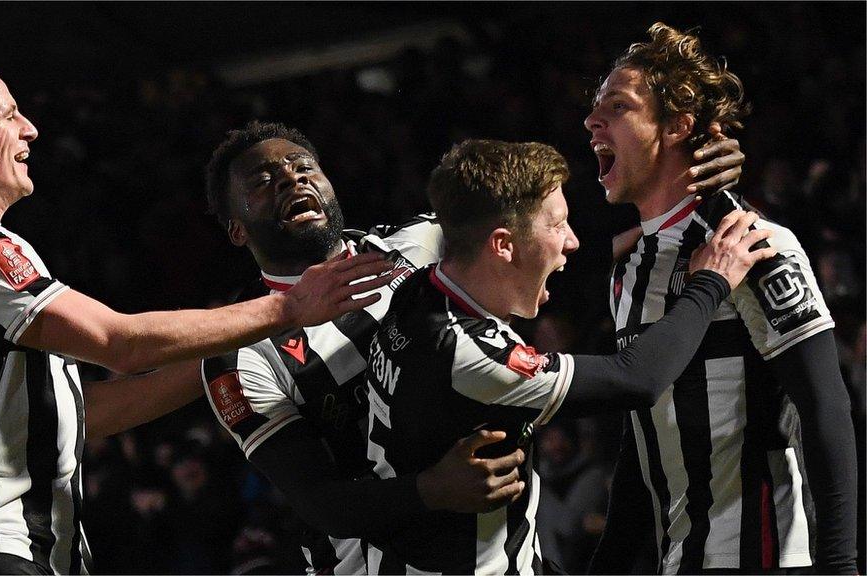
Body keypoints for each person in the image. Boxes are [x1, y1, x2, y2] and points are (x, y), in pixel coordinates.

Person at [0, 58, 393, 575]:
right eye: (9, 114)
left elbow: (83, 414)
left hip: (32, 552)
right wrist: (289, 306)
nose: (29, 129)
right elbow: (120, 343)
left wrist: (233, 349)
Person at [199, 121, 750, 573]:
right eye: (263, 180)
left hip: (502, 548)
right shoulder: (238, 358)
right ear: (236, 230)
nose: (291, 181)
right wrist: (431, 490)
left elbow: (536, 236)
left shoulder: (412, 245)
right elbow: (321, 503)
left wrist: (679, 173)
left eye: (302, 167)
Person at [362, 139, 773, 574]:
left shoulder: (419, 274)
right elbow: (637, 379)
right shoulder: (467, 354)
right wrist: (711, 280)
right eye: (557, 225)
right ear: (502, 246)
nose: (572, 241)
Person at [584, 23, 858, 575]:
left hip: (763, 557)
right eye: (595, 105)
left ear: (678, 125)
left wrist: (841, 565)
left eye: (618, 105)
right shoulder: (629, 266)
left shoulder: (752, 244)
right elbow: (644, 441)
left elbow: (826, 411)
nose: (593, 119)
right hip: (680, 561)